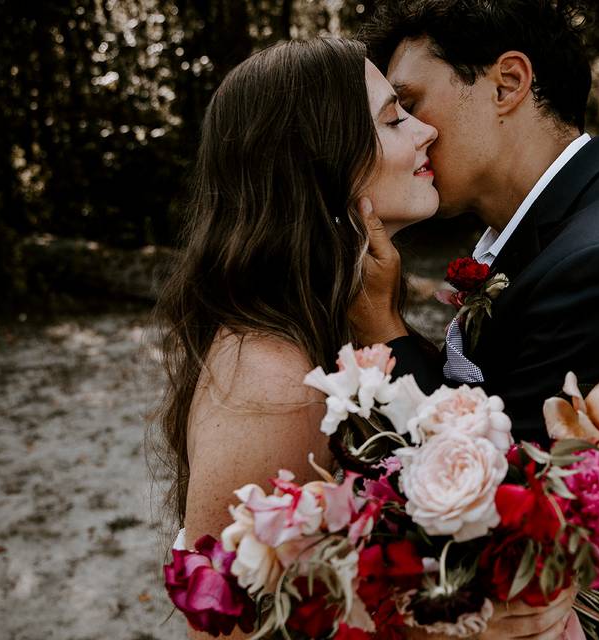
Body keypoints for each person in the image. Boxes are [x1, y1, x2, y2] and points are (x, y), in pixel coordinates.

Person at [154, 37, 573, 639]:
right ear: (323, 160)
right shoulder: (270, 375)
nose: (425, 131)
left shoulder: (334, 323)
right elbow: (224, 629)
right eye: (393, 118)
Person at [353, 2, 599, 638]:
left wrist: (382, 330)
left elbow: (490, 513)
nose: (413, 133)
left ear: (508, 83)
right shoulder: (560, 233)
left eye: (410, 103)